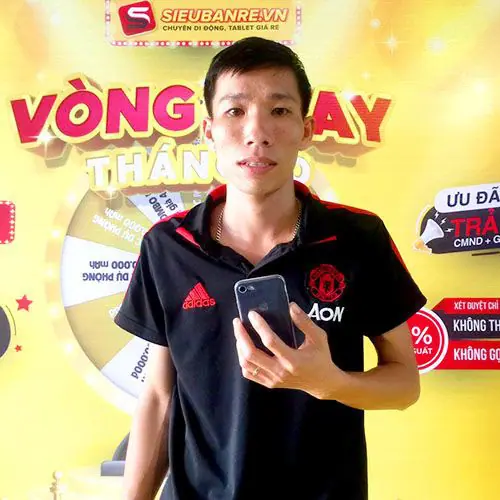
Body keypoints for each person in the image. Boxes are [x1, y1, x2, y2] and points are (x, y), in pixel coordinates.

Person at [114, 36, 427, 500]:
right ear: (208, 130)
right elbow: (160, 396)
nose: (257, 132)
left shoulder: (357, 238)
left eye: (279, 110)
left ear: (306, 128)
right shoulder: (169, 246)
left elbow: (404, 384)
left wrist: (331, 383)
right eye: (235, 111)